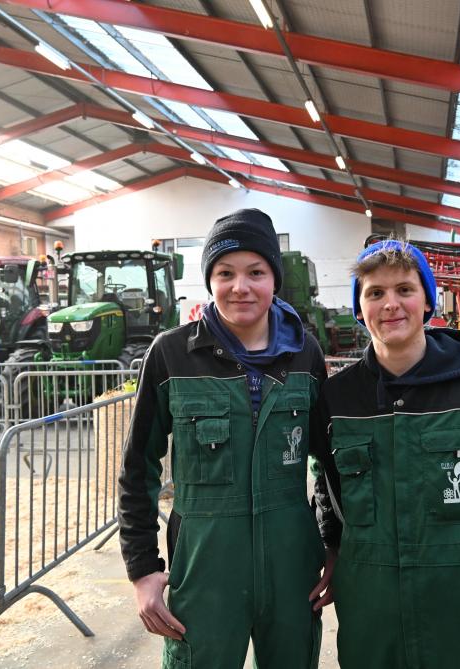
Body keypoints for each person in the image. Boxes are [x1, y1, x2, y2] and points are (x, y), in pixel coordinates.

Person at [309, 239, 460, 669]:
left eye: (404, 290)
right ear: (360, 309)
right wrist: (335, 548)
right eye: (375, 293)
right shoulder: (338, 397)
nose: (390, 304)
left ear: (427, 301)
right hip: (371, 607)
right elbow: (328, 484)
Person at [118, 208, 328, 668]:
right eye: (225, 273)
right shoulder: (171, 354)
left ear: (274, 278)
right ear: (209, 280)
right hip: (204, 567)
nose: (241, 287)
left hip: (292, 567)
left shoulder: (305, 353)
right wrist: (143, 570)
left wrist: (332, 545)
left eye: (256, 272)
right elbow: (138, 469)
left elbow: (327, 462)